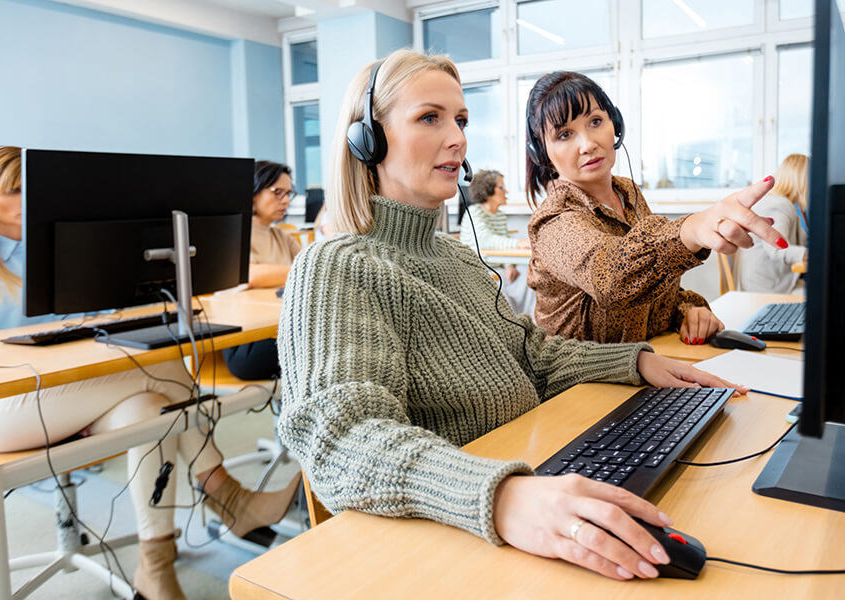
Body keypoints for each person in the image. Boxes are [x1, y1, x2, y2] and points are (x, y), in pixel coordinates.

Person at [276, 49, 749, 583]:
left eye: (461, 120)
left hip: (522, 478)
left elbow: (532, 354)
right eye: (430, 118)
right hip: (452, 527)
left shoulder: (456, 258)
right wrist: (504, 497)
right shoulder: (338, 265)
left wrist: (636, 363)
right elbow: (341, 440)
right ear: (369, 139)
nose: (457, 137)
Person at [0, 146, 300, 600]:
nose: (29, 199)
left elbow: (102, 316)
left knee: (153, 409)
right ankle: (227, 495)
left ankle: (156, 565)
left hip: (75, 392)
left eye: (36, 190)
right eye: (15, 190)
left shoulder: (58, 247)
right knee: (160, 366)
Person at [523, 72, 787, 346]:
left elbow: (651, 291)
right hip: (581, 385)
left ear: (616, 125)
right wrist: (690, 229)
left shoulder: (628, 194)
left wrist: (687, 311)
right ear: (542, 152)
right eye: (564, 134)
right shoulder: (553, 221)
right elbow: (611, 279)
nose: (588, 144)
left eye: (596, 121)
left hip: (642, 370)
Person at [222, 160, 300, 380]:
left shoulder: (282, 237)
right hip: (245, 345)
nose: (285, 201)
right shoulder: (234, 233)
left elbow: (314, 271)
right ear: (253, 192)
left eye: (288, 194)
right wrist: (297, 271)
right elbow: (249, 275)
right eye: (277, 192)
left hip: (277, 330)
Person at [458, 168, 535, 316]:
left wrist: (510, 265)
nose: (506, 192)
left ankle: (529, 322)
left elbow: (503, 240)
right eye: (502, 188)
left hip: (499, 267)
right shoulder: (474, 212)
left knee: (531, 276)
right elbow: (487, 240)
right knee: (500, 286)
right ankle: (513, 326)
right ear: (488, 191)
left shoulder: (499, 215)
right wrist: (519, 244)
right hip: (481, 271)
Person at [734, 154, 810, 293]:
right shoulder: (779, 205)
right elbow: (777, 250)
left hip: (771, 281)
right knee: (822, 295)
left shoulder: (784, 203)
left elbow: (802, 240)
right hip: (767, 288)